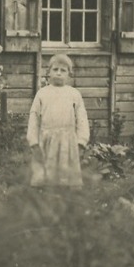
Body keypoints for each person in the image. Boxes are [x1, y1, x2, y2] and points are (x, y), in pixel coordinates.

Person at [27, 53, 91, 188]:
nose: (59, 73)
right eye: (55, 69)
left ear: (69, 74)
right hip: (46, 141)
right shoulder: (42, 93)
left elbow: (82, 118)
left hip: (68, 142)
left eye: (63, 70)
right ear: (48, 72)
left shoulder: (74, 94)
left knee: (66, 177)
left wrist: (81, 141)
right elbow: (34, 118)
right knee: (44, 178)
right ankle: (44, 201)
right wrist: (33, 142)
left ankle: (66, 201)